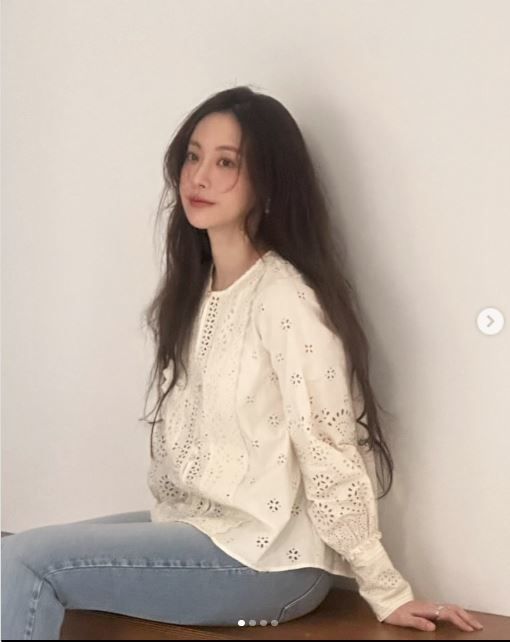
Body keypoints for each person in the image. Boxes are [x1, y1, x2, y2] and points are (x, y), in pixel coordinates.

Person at [1, 86, 484, 639]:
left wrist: (386, 589)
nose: (199, 177)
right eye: (193, 156)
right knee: (13, 550)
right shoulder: (196, 291)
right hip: (203, 531)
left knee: (25, 562)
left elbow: (327, 446)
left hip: (270, 564)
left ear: (267, 182)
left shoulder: (284, 298)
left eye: (226, 162)